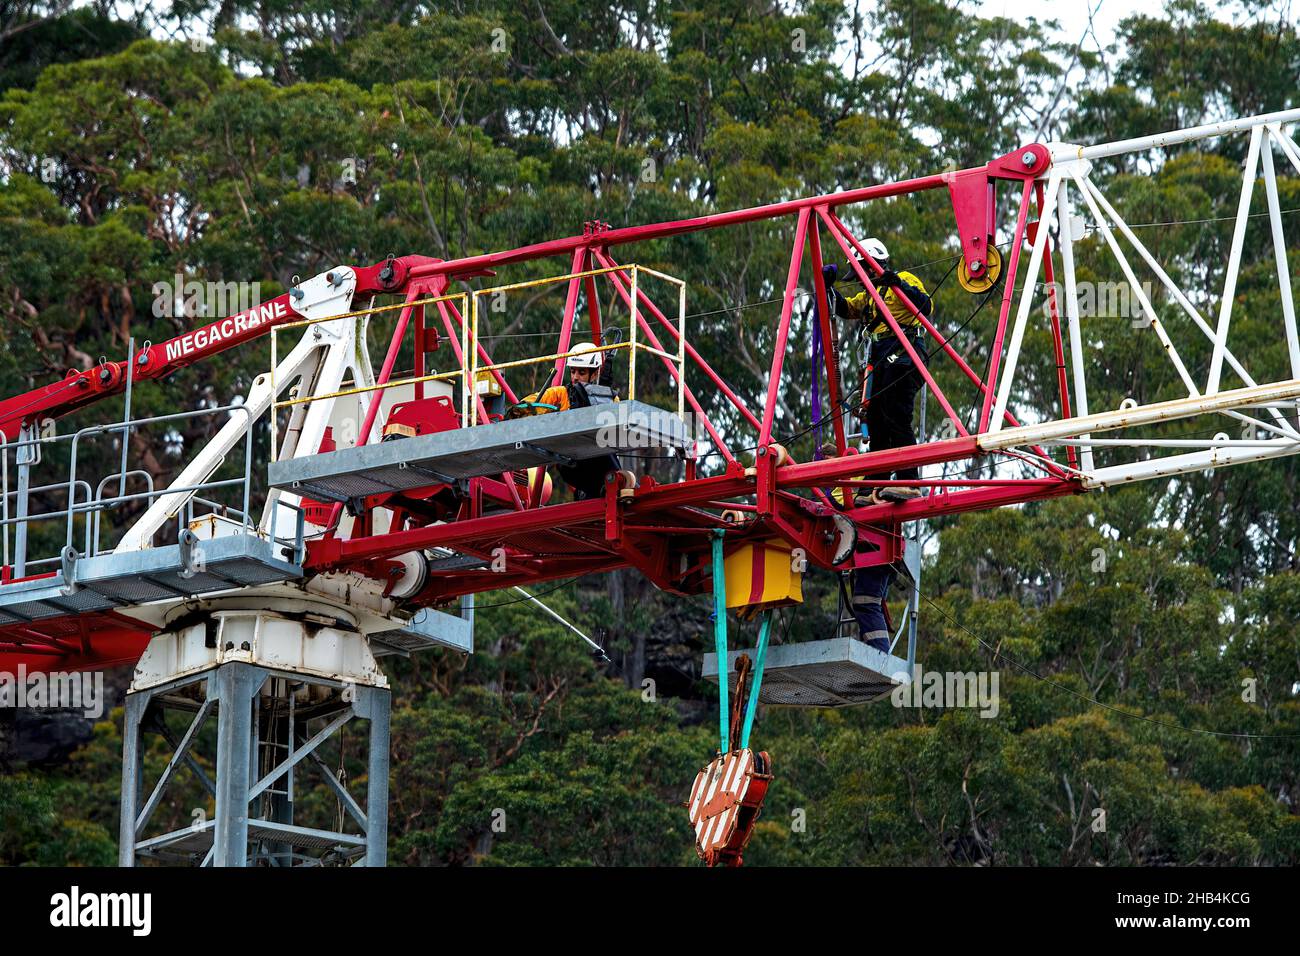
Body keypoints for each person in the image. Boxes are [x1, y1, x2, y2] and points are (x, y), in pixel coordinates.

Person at [824, 237, 932, 504]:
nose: (860, 281)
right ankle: (873, 486)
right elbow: (845, 308)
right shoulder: (869, 297)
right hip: (882, 358)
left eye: (862, 273)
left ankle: (910, 482)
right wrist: (826, 287)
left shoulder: (903, 279)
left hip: (906, 353)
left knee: (896, 413)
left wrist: (895, 282)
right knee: (876, 421)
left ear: (871, 267)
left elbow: (924, 305)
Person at [509, 340, 620, 500]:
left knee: (605, 450)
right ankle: (596, 489)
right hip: (573, 463)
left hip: (598, 462)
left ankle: (597, 491)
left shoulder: (609, 398)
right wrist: (520, 412)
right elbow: (532, 403)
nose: (575, 377)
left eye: (581, 373)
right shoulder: (561, 394)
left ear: (594, 374)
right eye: (573, 371)